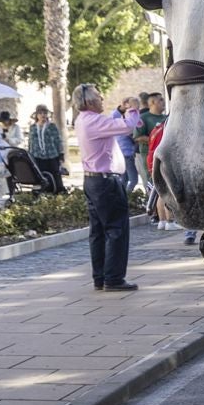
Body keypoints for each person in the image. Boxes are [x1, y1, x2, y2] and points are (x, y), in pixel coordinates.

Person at [75, 83, 142, 291]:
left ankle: (100, 277)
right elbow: (128, 126)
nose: (102, 97)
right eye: (98, 95)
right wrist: (133, 107)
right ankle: (113, 278)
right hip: (105, 182)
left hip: (93, 180)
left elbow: (118, 123)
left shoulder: (84, 120)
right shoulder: (94, 121)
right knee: (116, 229)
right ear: (88, 101)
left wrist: (123, 111)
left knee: (98, 232)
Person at [28, 105, 65, 191]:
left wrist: (61, 154)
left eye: (44, 113)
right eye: (40, 113)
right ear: (37, 115)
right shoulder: (33, 127)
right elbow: (30, 142)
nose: (43, 115)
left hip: (51, 155)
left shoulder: (52, 126)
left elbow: (58, 140)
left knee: (55, 176)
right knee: (40, 177)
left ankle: (57, 193)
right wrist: (30, 155)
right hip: (37, 156)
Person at [117, 96, 142, 195]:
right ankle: (127, 197)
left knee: (124, 179)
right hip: (128, 152)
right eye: (137, 103)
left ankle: (121, 196)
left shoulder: (124, 115)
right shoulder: (132, 114)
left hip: (122, 152)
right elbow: (133, 133)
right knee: (134, 180)